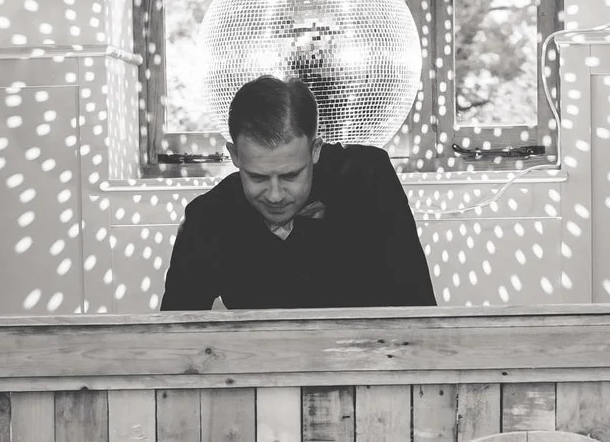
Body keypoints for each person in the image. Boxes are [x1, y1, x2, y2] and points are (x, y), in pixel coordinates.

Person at [159, 75, 438, 311]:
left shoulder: (369, 178)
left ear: (315, 149)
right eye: (257, 177)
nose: (276, 195)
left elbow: (417, 306)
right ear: (234, 155)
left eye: (291, 175)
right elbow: (174, 334)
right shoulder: (208, 217)